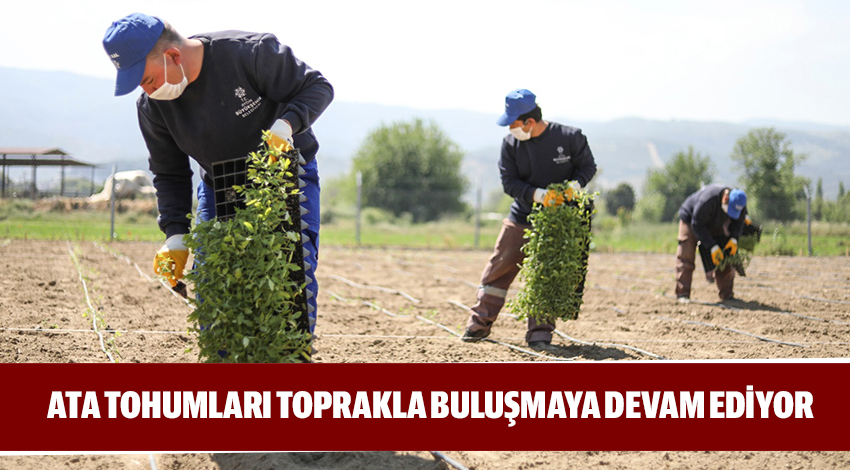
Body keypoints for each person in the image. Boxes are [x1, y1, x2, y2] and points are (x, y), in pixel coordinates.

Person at [102, 13, 333, 337]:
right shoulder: (153, 108)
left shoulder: (249, 54)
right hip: (221, 185)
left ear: (172, 56)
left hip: (282, 176)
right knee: (215, 287)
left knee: (290, 281)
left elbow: (317, 86)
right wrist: (176, 235)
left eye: (147, 79)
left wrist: (287, 124)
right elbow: (170, 173)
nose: (146, 89)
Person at [462, 89, 597, 350]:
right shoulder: (510, 145)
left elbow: (587, 167)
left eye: (513, 122)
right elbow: (509, 183)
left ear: (529, 122)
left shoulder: (570, 138)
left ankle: (540, 335)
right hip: (522, 215)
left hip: (558, 222)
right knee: (499, 267)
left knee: (545, 275)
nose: (510, 128)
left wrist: (574, 186)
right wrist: (538, 195)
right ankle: (478, 325)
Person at [676, 184, 747, 302]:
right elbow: (697, 225)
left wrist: (734, 239)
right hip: (692, 220)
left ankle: (727, 295)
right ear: (725, 199)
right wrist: (712, 246)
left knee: (725, 256)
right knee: (686, 254)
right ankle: (683, 293)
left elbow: (739, 222)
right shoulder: (708, 200)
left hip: (715, 223)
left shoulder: (739, 203)